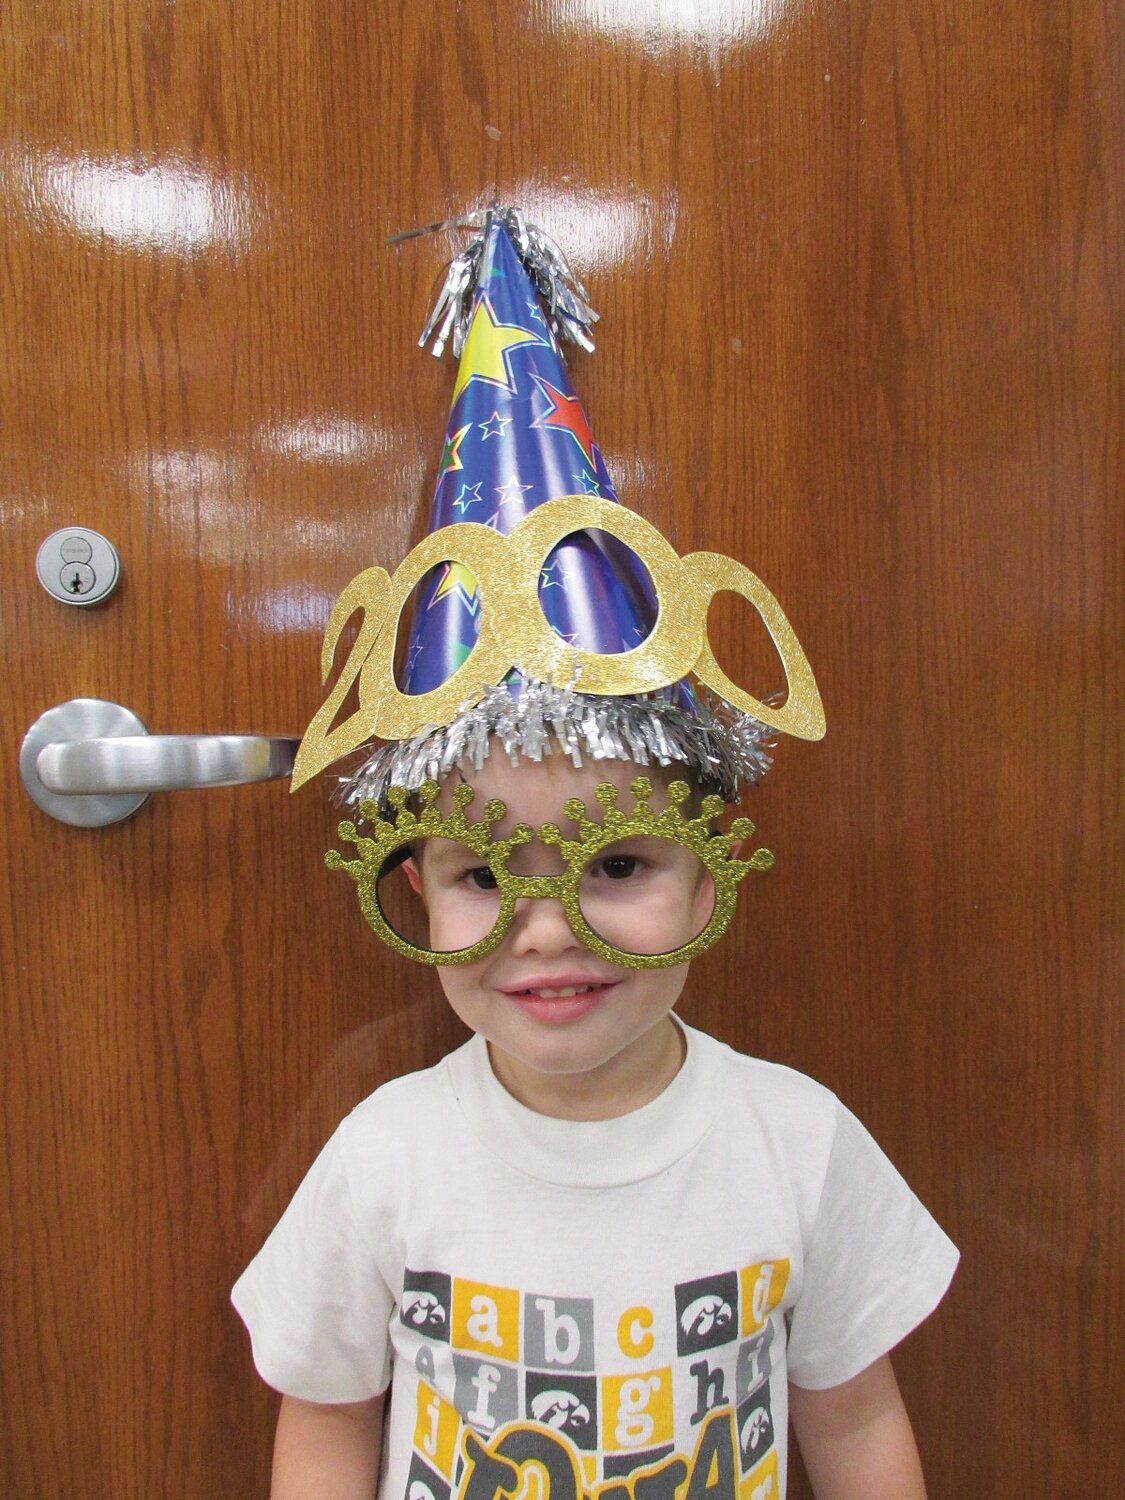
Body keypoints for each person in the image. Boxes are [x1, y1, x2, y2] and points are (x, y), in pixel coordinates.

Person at [232, 208, 958, 1499]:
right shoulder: (384, 1158)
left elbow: (849, 1424)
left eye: (612, 865)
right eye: (479, 876)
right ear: (417, 890)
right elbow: (326, 1420)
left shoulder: (796, 1142)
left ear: (707, 866)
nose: (545, 925)